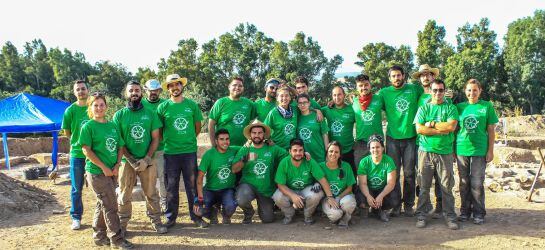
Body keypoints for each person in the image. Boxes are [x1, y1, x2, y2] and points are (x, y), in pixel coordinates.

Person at [79, 92, 133, 249]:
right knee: (111, 206)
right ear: (90, 108)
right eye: (95, 105)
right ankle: (116, 239)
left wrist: (116, 165)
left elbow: (120, 146)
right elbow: (86, 150)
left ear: (106, 107)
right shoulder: (88, 127)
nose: (99, 108)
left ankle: (99, 236)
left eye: (102, 105)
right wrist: (104, 168)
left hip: (112, 171)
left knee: (102, 203)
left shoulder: (112, 126)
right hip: (96, 172)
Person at [113, 81, 167, 235]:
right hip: (126, 161)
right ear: (126, 94)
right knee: (124, 193)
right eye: (131, 90)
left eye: (137, 90)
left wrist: (147, 159)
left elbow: (156, 139)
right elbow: (119, 141)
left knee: (151, 193)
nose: (134, 93)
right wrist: (131, 160)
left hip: (147, 161)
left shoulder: (150, 114)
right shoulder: (119, 115)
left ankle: (156, 221)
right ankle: (122, 225)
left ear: (141, 93)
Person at [156, 74, 206, 228]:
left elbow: (197, 126)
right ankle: (170, 218)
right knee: (171, 186)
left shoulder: (191, 105)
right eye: (171, 85)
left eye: (177, 84)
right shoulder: (163, 107)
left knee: (192, 186)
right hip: (170, 153)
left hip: (189, 152)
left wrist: (189, 138)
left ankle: (196, 217)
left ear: (181, 86)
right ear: (168, 89)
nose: (174, 88)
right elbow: (159, 130)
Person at [379, 65, 424, 217]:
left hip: (411, 137)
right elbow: (368, 102)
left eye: (399, 75)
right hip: (392, 138)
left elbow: (428, 96)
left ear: (404, 75)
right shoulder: (384, 93)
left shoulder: (414, 89)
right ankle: (395, 205)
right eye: (393, 76)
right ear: (389, 78)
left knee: (410, 173)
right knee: (394, 173)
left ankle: (409, 205)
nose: (396, 78)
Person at [414, 79, 459, 230]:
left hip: (445, 152)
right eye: (435, 90)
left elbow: (451, 126)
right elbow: (420, 130)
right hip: (425, 151)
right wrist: (441, 130)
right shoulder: (424, 108)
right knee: (423, 185)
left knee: (446, 186)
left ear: (444, 91)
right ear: (431, 91)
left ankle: (450, 216)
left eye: (441, 90)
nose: (438, 93)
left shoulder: (450, 108)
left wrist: (431, 124)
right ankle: (421, 214)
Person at [456, 79, 498, 225]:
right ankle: (464, 211)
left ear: (480, 91)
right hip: (461, 150)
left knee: (477, 183)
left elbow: (491, 130)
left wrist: (490, 151)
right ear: (465, 91)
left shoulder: (486, 106)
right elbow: (455, 130)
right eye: (469, 90)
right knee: (463, 183)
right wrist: (454, 150)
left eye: (475, 90)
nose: (471, 93)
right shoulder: (459, 107)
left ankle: (479, 213)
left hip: (480, 151)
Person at [232, 121, 288, 224]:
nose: (257, 135)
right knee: (241, 198)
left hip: (266, 189)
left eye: (259, 133)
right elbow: (234, 169)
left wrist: (304, 154)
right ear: (250, 134)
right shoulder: (246, 148)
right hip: (248, 185)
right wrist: (246, 158)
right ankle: (249, 212)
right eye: (254, 133)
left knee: (268, 219)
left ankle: (264, 208)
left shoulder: (272, 148)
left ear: (264, 134)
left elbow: (289, 156)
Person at [272, 138, 335, 225]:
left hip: (305, 189)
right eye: (295, 150)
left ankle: (308, 215)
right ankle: (289, 215)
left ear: (304, 151)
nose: (298, 153)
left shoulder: (309, 161)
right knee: (277, 196)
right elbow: (280, 185)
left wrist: (330, 196)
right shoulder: (284, 162)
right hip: (290, 189)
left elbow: (322, 180)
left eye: (300, 150)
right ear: (290, 151)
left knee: (317, 194)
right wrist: (293, 195)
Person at [413, 65, 445, 219]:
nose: (425, 77)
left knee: (441, 178)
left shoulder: (443, 95)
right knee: (422, 177)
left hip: (441, 142)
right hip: (422, 143)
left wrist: (432, 126)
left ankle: (441, 206)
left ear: (433, 77)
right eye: (422, 75)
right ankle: (425, 207)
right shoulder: (419, 95)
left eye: (428, 75)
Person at [194, 128, 238, 225]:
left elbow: (249, 149)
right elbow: (200, 177)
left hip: (227, 189)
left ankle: (226, 215)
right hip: (210, 189)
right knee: (198, 211)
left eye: (227, 139)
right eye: (222, 139)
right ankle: (212, 214)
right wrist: (200, 198)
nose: (225, 142)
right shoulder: (209, 155)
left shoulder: (234, 151)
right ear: (216, 141)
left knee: (230, 207)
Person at [62, 80, 90, 230]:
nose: (81, 91)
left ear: (88, 90)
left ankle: (104, 216)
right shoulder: (70, 111)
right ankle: (76, 217)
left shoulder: (94, 107)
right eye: (78, 89)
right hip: (78, 155)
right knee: (76, 188)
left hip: (94, 155)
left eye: (83, 89)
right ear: (74, 92)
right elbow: (68, 132)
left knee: (101, 187)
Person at [357, 135, 398, 222]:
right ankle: (367, 208)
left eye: (378, 147)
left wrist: (381, 196)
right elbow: (362, 183)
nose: (375, 150)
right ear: (369, 149)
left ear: (383, 148)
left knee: (394, 196)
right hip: (369, 189)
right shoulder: (364, 162)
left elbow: (391, 183)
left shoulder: (388, 161)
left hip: (382, 189)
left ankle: (382, 210)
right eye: (372, 148)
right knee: (360, 194)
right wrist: (368, 196)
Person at [142, 79, 168, 211]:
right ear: (145, 90)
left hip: (162, 148)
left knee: (164, 178)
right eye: (150, 90)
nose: (153, 93)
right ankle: (151, 203)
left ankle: (164, 201)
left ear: (159, 91)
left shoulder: (165, 104)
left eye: (156, 90)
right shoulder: (140, 104)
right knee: (149, 180)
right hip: (145, 149)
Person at [208, 77, 256, 146]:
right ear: (229, 87)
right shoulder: (220, 103)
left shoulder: (249, 104)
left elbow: (255, 121)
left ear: (243, 88)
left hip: (244, 148)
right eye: (234, 85)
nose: (237, 87)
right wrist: (214, 145)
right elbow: (211, 124)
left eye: (240, 86)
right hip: (223, 148)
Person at [319, 141, 357, 228]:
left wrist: (338, 197)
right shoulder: (320, 166)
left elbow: (350, 187)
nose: (333, 154)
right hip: (327, 198)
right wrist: (330, 198)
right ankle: (336, 215)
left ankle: (345, 219)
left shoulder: (346, 166)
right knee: (335, 215)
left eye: (336, 152)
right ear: (327, 153)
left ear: (340, 154)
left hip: (343, 196)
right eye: (331, 151)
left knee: (348, 203)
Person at [352, 75, 384, 168]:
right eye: (360, 85)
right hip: (361, 143)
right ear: (357, 87)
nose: (364, 88)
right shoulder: (354, 102)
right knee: (361, 170)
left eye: (366, 85)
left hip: (377, 141)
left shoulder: (379, 99)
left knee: (379, 171)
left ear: (370, 85)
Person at [322, 86, 356, 169]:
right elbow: (311, 110)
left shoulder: (352, 109)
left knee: (351, 178)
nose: (337, 97)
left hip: (348, 150)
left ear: (344, 95)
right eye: (334, 95)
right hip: (333, 152)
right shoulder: (326, 110)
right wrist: (317, 111)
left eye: (339, 94)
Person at [296, 94, 329, 163]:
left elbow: (325, 134)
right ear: (298, 105)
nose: (302, 105)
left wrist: (327, 152)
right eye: (300, 103)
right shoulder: (296, 118)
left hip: (319, 155)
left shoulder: (318, 116)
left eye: (305, 102)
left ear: (309, 103)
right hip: (304, 156)